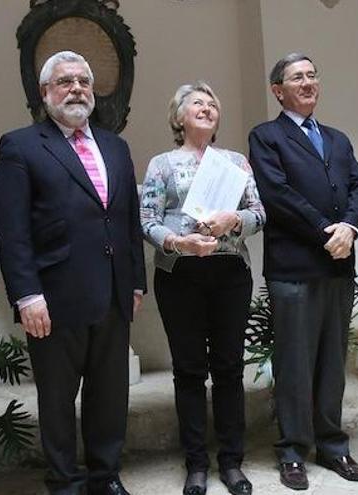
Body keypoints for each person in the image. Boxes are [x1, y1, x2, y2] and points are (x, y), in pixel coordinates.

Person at [0, 51, 147, 495]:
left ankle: (105, 474)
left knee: (109, 394)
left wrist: (135, 279)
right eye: (64, 81)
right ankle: (64, 481)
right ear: (45, 93)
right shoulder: (21, 145)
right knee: (58, 399)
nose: (76, 88)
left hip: (113, 292)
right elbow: (13, 228)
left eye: (83, 80)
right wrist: (26, 296)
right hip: (54, 298)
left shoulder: (115, 146)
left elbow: (127, 218)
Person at [247, 53, 358, 491]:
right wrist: (326, 231)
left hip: (339, 265)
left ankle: (333, 446)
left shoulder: (338, 139)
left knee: (332, 361)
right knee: (296, 363)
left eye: (312, 74)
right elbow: (277, 195)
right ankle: (292, 451)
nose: (308, 82)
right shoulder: (266, 137)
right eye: (297, 77)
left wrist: (350, 227)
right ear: (278, 90)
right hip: (295, 268)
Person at [140, 82, 265, 495]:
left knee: (229, 369)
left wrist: (235, 221)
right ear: (179, 116)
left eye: (213, 103)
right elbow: (147, 220)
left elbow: (259, 212)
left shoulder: (235, 162)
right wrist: (179, 242)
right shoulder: (162, 164)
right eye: (198, 103)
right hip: (180, 275)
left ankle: (231, 462)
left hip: (230, 272)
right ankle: (196, 464)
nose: (207, 108)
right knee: (189, 371)